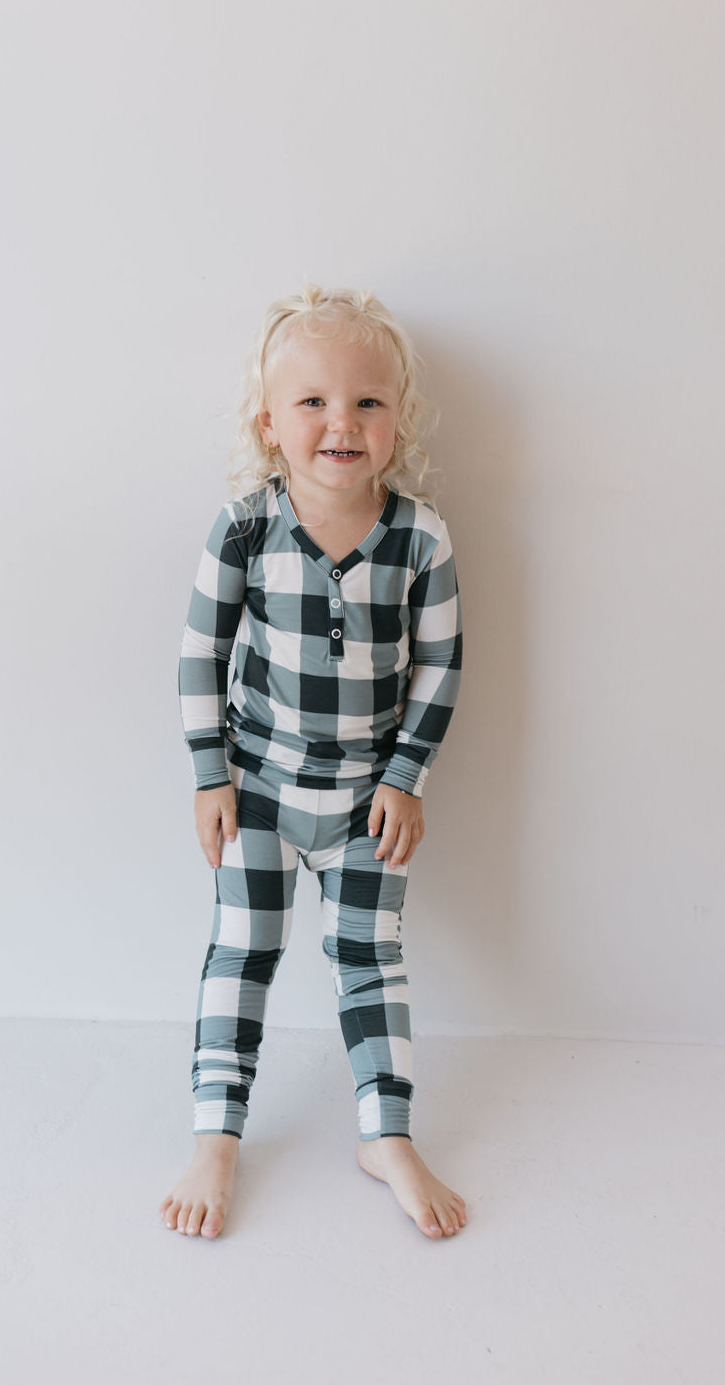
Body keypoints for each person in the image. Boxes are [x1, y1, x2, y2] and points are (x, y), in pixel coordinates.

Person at [159, 284, 466, 1241]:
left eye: (368, 402)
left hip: (366, 804)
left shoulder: (419, 536)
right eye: (314, 403)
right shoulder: (245, 527)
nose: (343, 422)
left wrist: (407, 776)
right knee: (242, 952)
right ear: (270, 423)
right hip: (255, 790)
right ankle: (217, 1133)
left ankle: (386, 1130)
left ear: (399, 419)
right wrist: (211, 772)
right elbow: (200, 656)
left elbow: (442, 664)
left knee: (372, 961)